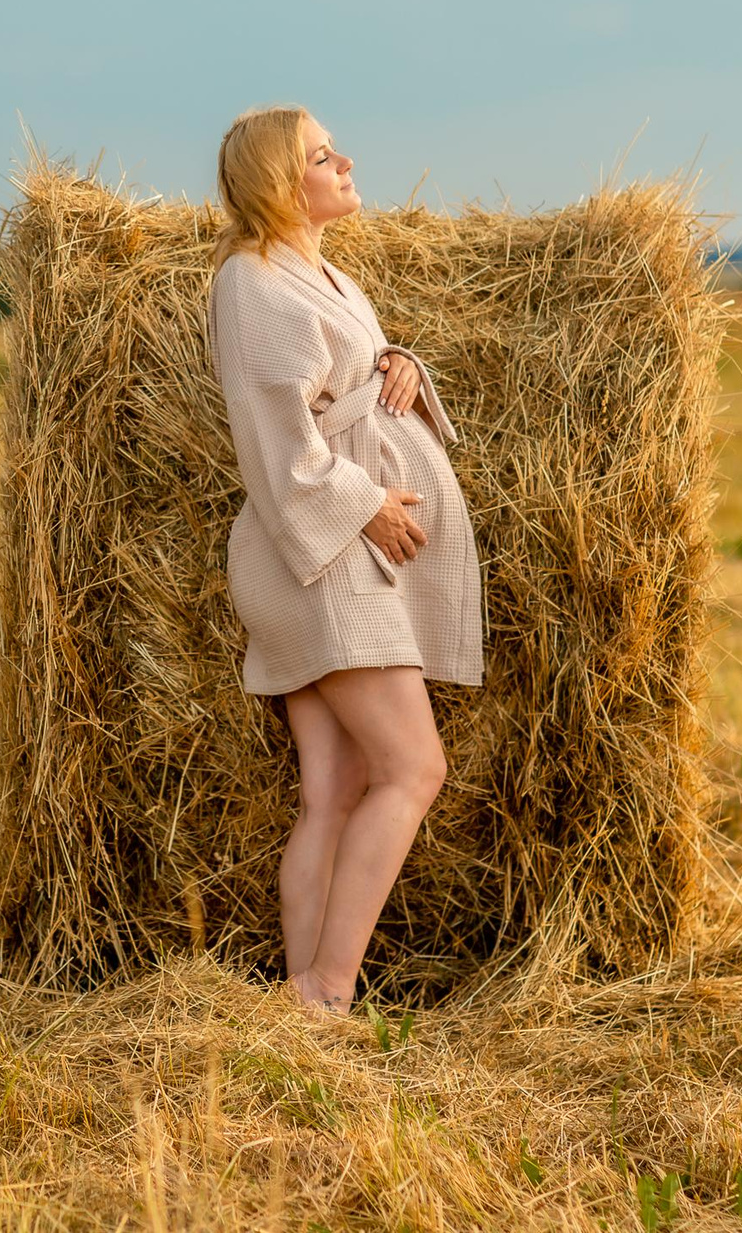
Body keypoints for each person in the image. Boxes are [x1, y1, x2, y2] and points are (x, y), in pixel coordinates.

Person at [204, 106, 484, 1016]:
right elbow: (275, 441)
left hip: (332, 552)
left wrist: (396, 361)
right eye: (325, 156)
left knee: (335, 785)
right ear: (286, 184)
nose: (347, 161)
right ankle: (329, 985)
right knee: (414, 768)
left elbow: (341, 377)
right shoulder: (249, 283)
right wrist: (365, 505)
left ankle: (303, 999)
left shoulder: (325, 276)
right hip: (315, 555)